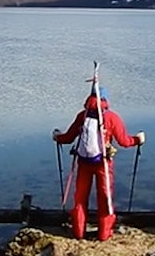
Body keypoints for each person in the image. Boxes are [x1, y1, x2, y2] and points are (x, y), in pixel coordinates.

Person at [53, 87, 145, 241]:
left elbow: (68, 138)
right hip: (103, 163)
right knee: (104, 198)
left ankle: (78, 233)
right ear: (105, 100)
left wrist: (57, 136)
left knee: (80, 198)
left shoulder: (82, 116)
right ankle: (104, 234)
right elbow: (124, 141)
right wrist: (138, 139)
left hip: (84, 162)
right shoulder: (111, 117)